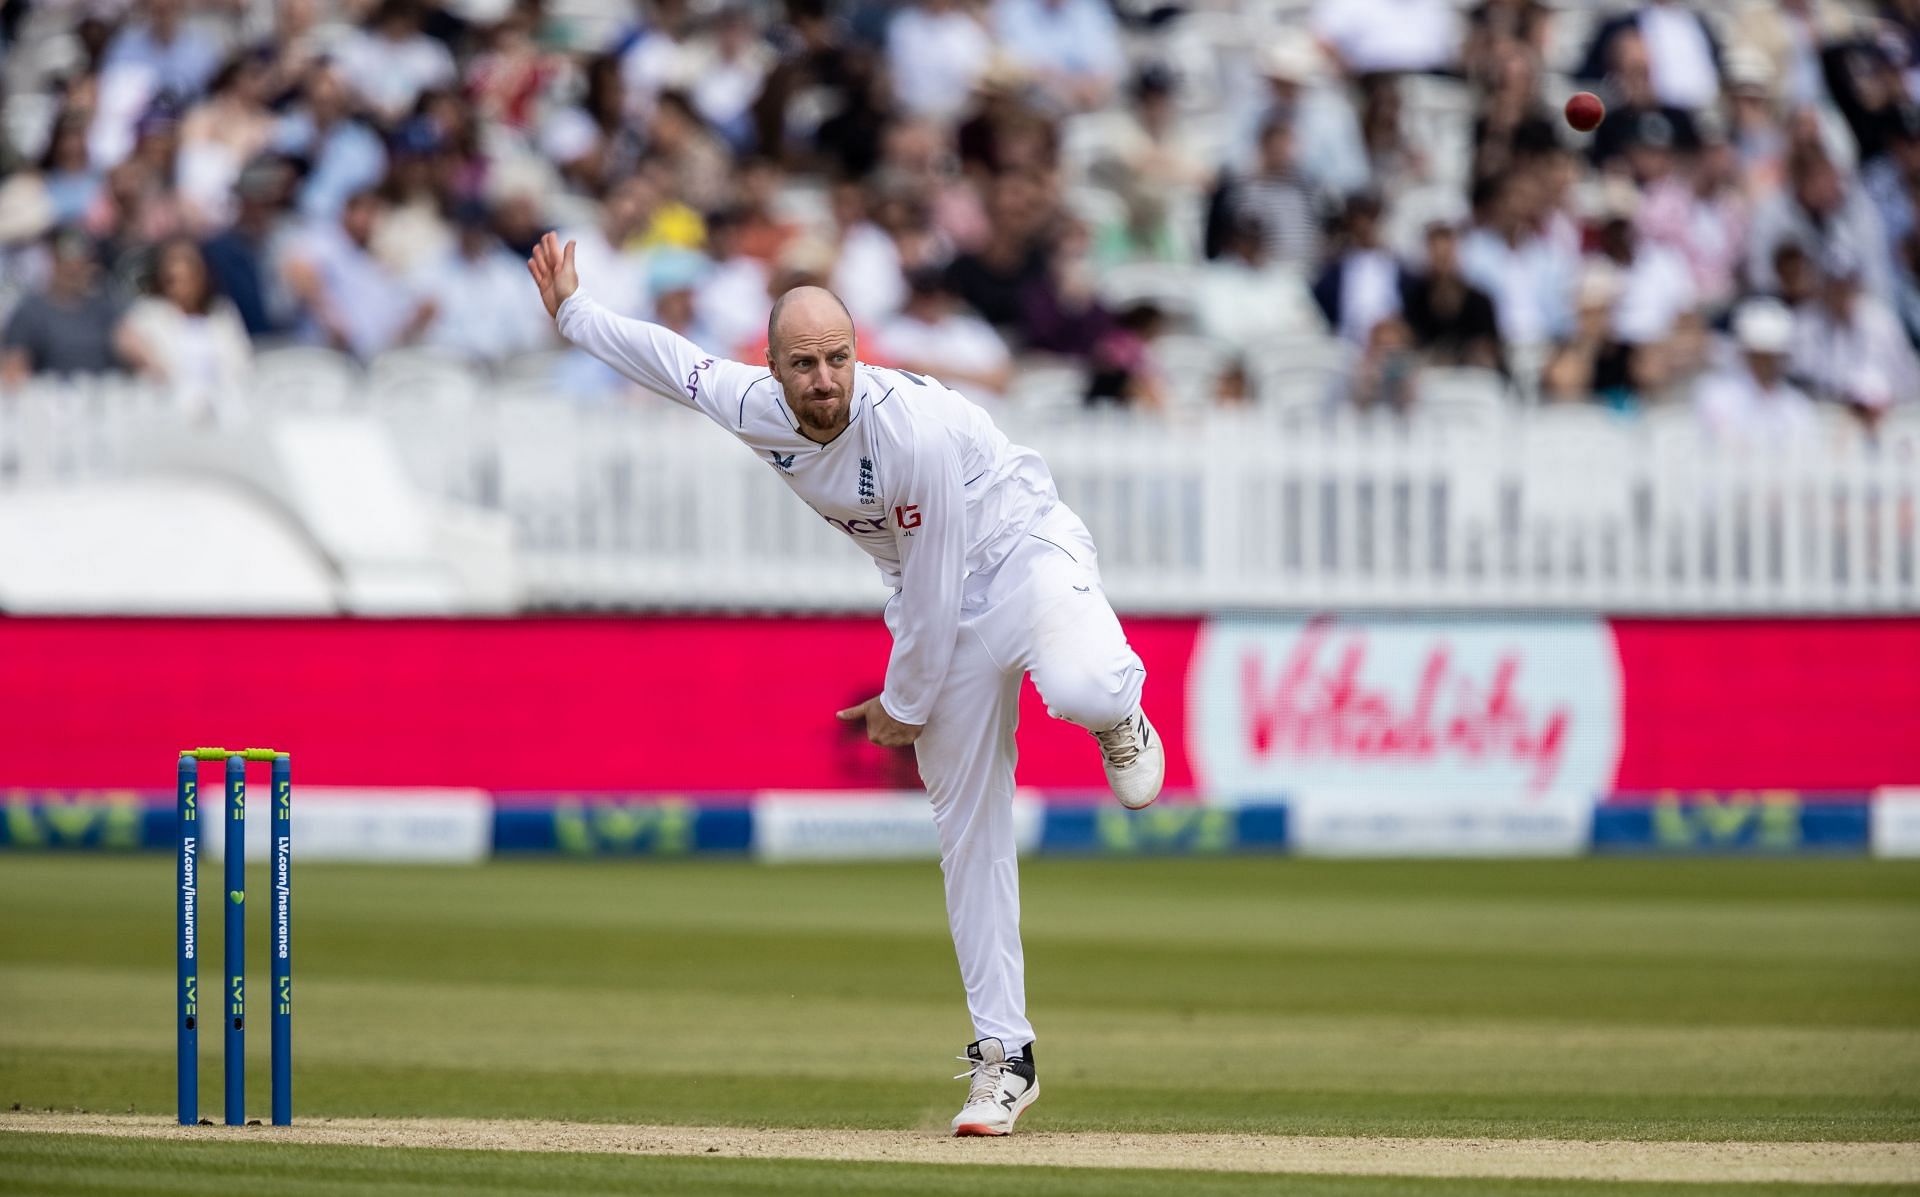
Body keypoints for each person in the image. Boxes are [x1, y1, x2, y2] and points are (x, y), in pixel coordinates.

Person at [527, 230, 1164, 1137]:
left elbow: (941, 580)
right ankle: (1004, 1059)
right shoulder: (751, 400)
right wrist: (576, 312)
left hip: (1024, 552)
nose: (825, 379)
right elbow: (672, 362)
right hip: (931, 594)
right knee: (969, 830)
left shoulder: (913, 430)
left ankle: (1123, 714)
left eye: (838, 358)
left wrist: (904, 708)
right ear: (774, 367)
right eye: (804, 364)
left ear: (857, 354)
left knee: (1088, 688)